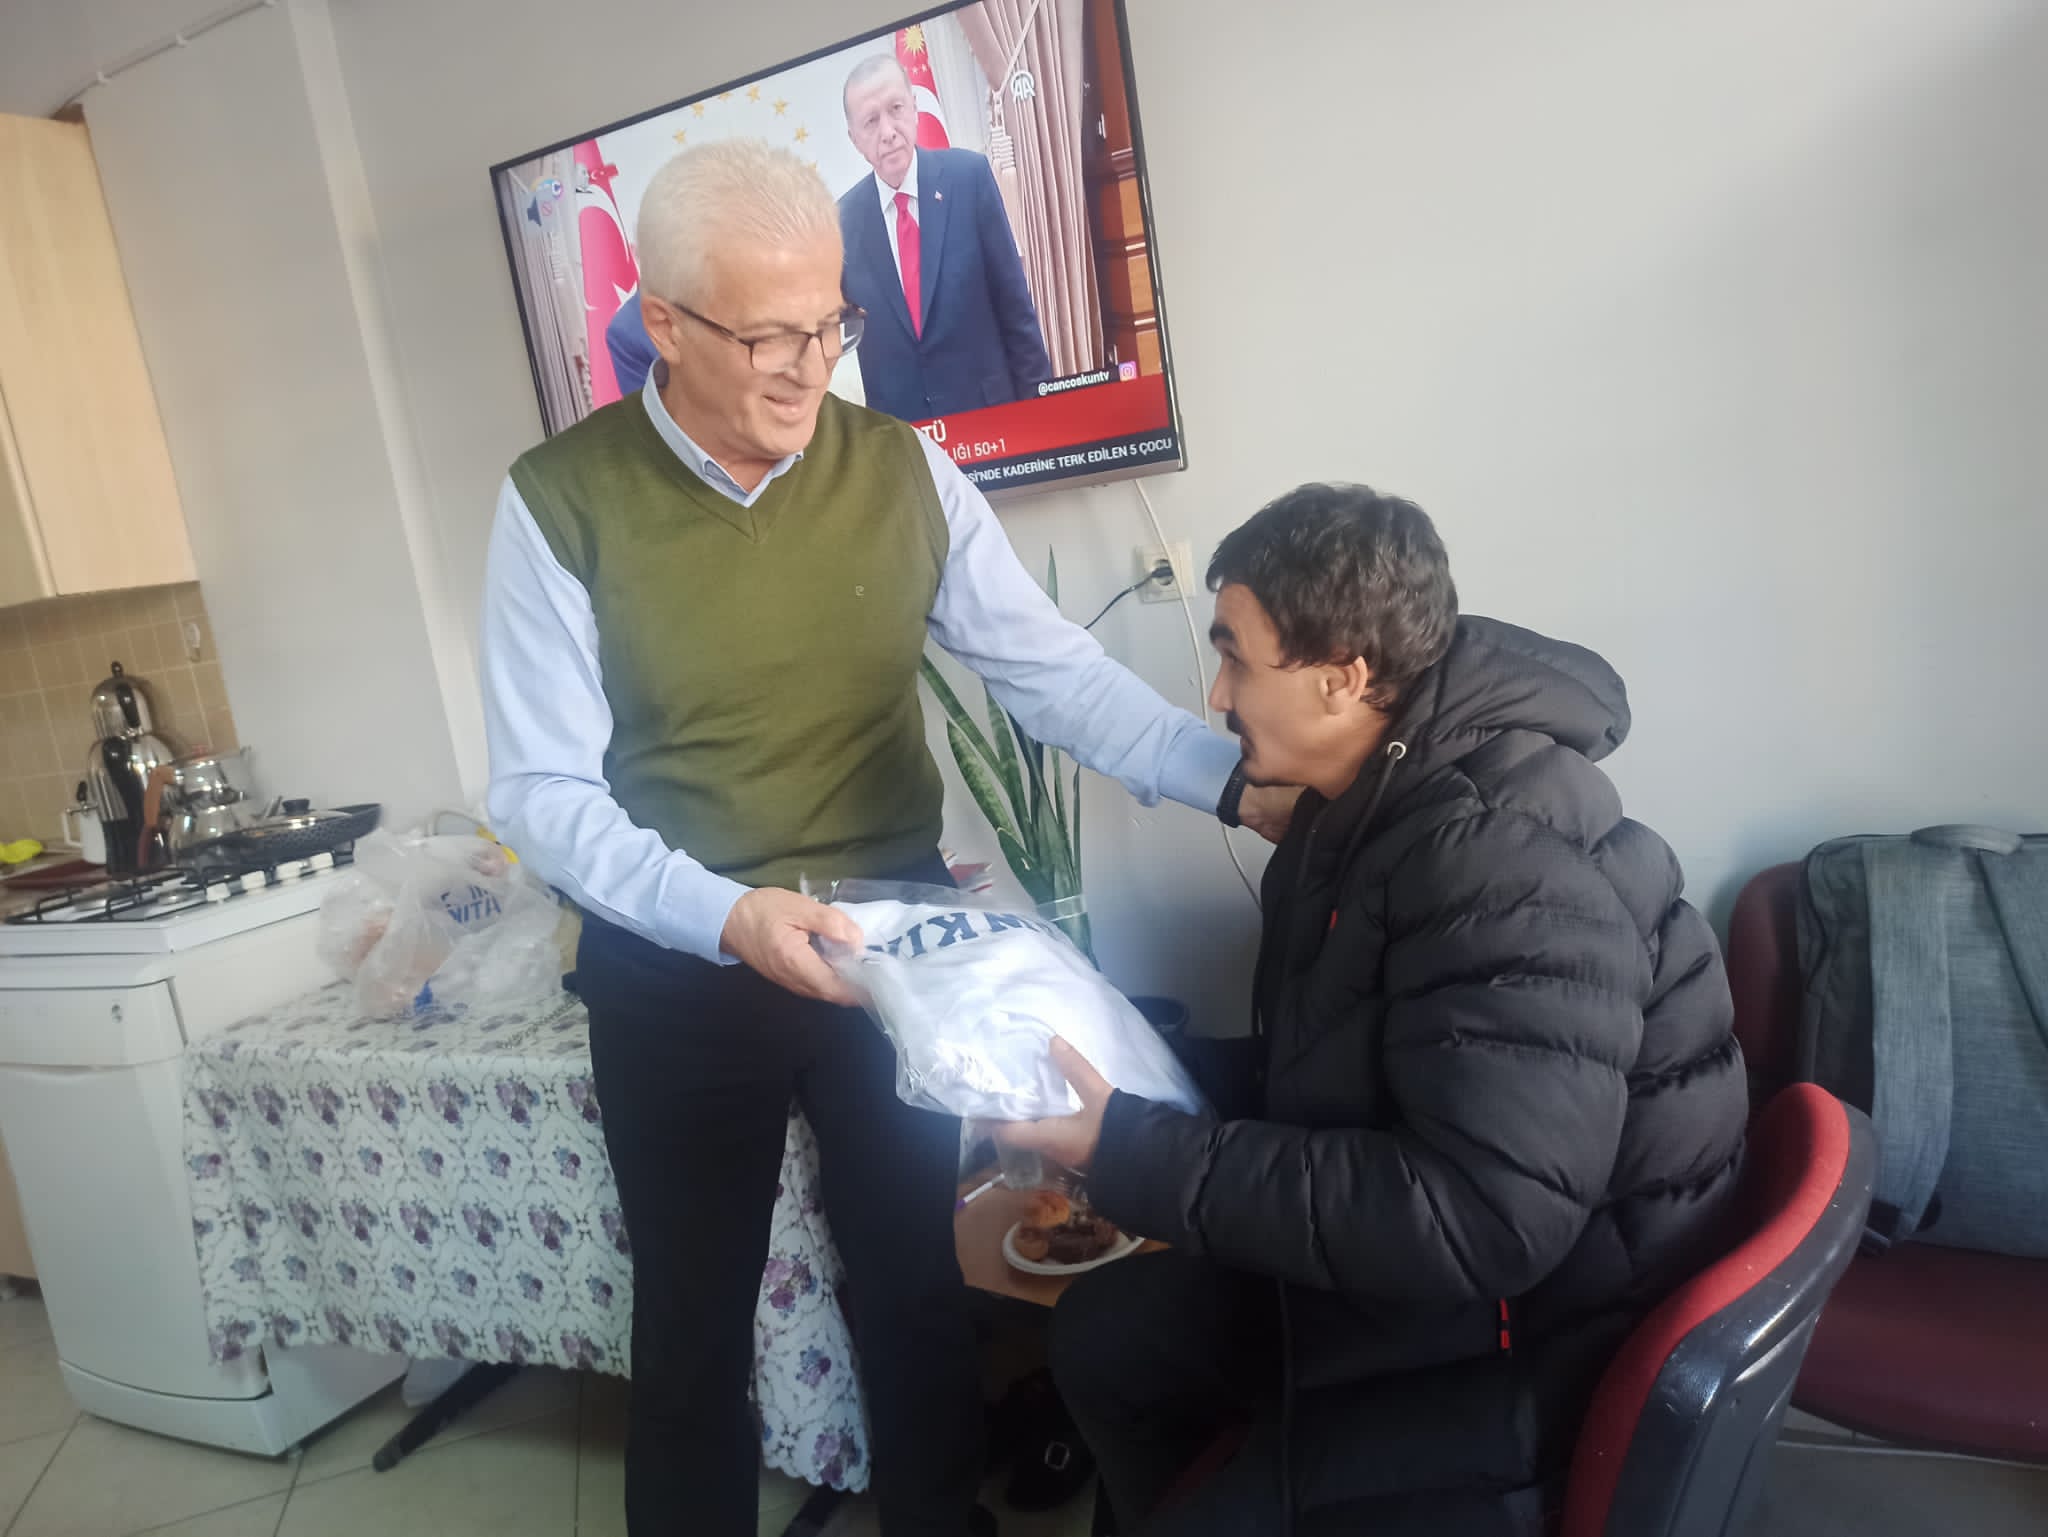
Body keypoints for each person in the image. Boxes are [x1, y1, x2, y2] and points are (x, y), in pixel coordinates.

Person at [477, 139, 1293, 1537]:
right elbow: (543, 794)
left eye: (830, 325)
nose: (808, 369)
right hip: (676, 969)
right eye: (766, 336)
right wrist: (725, 914)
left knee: (914, 1276)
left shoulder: (901, 470)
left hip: (889, 947)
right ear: (662, 324)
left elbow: (1050, 673)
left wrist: (1238, 780)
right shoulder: (560, 501)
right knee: (691, 1325)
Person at [1000, 485, 1749, 1536]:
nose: (1215, 692)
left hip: (1531, 1339)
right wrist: (1122, 1083)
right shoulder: (1360, 810)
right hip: (1439, 1286)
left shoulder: (1494, 858)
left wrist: (1135, 1151)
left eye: (1235, 658)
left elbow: (1486, 1218)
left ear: (1342, 677)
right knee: (1102, 1334)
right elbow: (1341, 1067)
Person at [837, 55, 1052, 421]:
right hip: (905, 436)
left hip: (991, 421)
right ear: (854, 138)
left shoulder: (969, 178)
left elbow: (1016, 311)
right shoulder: (841, 221)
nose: (887, 131)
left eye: (896, 109)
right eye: (871, 121)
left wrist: (1042, 415)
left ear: (915, 109)